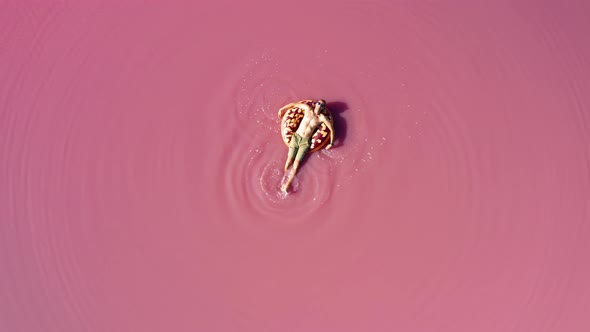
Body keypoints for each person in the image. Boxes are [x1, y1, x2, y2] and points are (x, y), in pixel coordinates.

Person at [277, 99, 335, 192]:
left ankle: (286, 185)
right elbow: (294, 104)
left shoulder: (322, 118)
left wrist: (331, 143)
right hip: (296, 137)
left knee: (296, 165)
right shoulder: (308, 109)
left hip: (305, 142)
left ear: (324, 108)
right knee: (289, 161)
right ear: (316, 104)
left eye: (322, 105)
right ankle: (284, 179)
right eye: (319, 103)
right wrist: (282, 109)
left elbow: (331, 129)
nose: (320, 106)